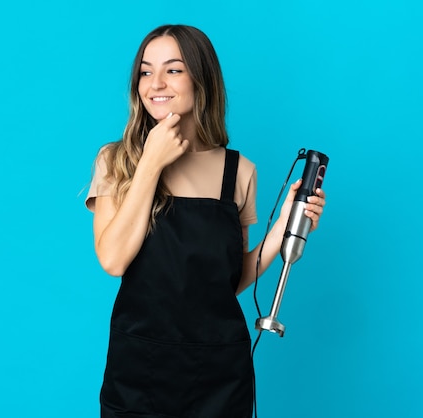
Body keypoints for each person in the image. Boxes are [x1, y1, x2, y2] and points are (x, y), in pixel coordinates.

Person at [85, 24, 326, 418]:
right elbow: (113, 260)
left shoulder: (240, 172)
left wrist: (283, 226)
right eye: (146, 71)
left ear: (202, 78)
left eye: (173, 70)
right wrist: (150, 162)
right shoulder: (116, 161)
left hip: (220, 373)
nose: (156, 83)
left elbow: (229, 282)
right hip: (139, 369)